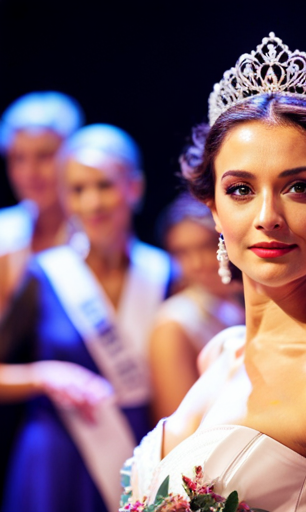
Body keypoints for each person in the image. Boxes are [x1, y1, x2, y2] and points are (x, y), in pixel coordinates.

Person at [121, 33, 306, 512]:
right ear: (212, 207)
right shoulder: (219, 352)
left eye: (298, 187)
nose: (268, 216)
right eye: (240, 190)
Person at [0, 124, 173, 512]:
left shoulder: (164, 275)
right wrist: (42, 375)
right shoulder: (44, 275)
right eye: (77, 190)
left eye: (104, 186)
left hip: (138, 456)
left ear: (135, 188)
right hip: (54, 464)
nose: (92, 203)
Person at [149, 193, 244, 422]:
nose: (197, 264)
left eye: (206, 246)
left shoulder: (238, 305)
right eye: (182, 253)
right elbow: (177, 431)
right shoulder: (173, 325)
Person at [0, 91, 84, 317]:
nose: (30, 173)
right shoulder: (3, 231)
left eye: (44, 156)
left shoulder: (95, 232)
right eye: (19, 158)